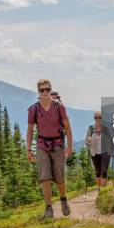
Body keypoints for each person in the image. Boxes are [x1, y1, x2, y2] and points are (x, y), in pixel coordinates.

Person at [27, 79, 73, 219]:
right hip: (42, 146)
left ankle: (63, 199)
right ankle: (48, 209)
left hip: (58, 145)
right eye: (42, 90)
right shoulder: (34, 109)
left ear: (50, 89)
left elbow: (68, 127)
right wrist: (29, 149)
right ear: (38, 92)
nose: (45, 92)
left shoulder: (59, 107)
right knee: (44, 177)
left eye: (47, 89)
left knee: (59, 178)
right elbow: (30, 130)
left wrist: (69, 146)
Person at [85, 111, 114, 188]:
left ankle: (103, 189)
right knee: (98, 171)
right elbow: (86, 142)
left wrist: (113, 150)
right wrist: (88, 141)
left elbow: (111, 140)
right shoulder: (91, 128)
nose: (98, 119)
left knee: (104, 171)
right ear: (94, 119)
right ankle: (99, 188)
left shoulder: (106, 129)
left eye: (99, 117)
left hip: (105, 152)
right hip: (94, 153)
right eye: (96, 118)